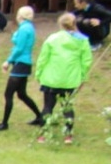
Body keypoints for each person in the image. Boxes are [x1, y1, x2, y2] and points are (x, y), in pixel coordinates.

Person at [35, 12, 93, 144]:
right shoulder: (83, 40)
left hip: (51, 79)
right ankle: (68, 136)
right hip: (71, 80)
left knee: (47, 107)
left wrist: (38, 73)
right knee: (67, 108)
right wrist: (83, 77)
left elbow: (43, 58)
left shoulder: (52, 38)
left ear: (60, 24)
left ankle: (42, 134)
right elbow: (86, 61)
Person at [0, 6, 44, 131]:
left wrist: (8, 61)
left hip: (21, 64)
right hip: (25, 63)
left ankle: (4, 124)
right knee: (22, 94)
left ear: (20, 16)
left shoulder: (24, 29)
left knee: (8, 94)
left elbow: (19, 48)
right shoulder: (28, 28)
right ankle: (39, 116)